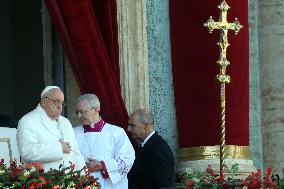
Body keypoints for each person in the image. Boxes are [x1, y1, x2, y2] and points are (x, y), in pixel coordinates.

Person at [73, 94, 135, 189]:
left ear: (96, 108)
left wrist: (102, 165)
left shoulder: (116, 132)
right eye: (77, 112)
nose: (79, 116)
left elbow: (127, 158)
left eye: (82, 112)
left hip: (110, 186)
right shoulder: (74, 132)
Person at [17, 86, 85, 171]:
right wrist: (59, 148)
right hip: (43, 180)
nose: (60, 107)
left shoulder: (65, 122)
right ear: (44, 101)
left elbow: (75, 152)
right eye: (56, 102)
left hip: (69, 179)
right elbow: (27, 152)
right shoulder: (28, 120)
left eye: (62, 103)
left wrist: (84, 177)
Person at [127, 109, 174, 189]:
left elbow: (164, 185)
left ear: (146, 127)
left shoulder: (159, 149)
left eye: (132, 125)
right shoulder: (147, 145)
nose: (128, 129)